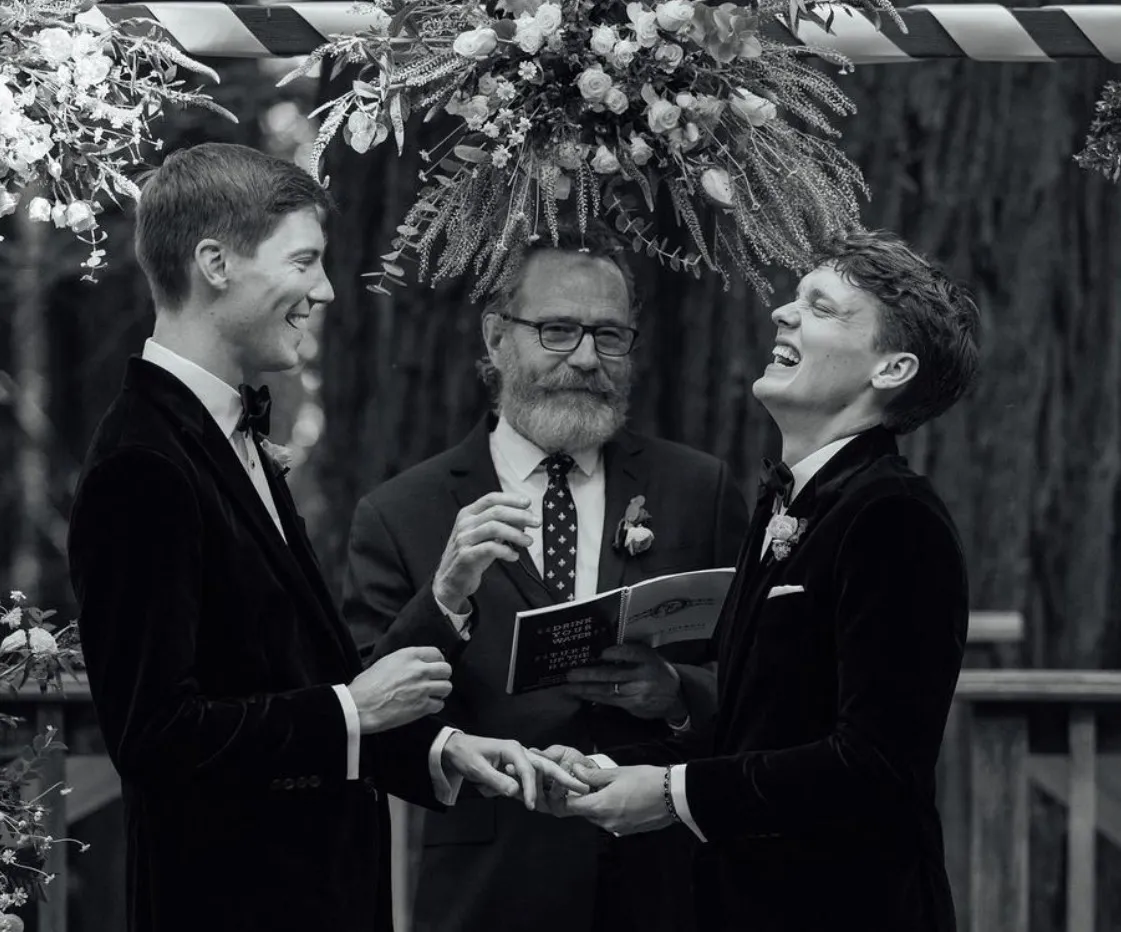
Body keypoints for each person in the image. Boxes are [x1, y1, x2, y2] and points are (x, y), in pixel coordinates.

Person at [67, 142, 579, 932]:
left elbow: (286, 678)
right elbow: (156, 739)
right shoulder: (143, 464)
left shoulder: (227, 436)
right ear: (215, 263)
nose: (327, 290)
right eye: (304, 262)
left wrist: (438, 750)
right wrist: (349, 710)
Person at [539, 230, 981, 932]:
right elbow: (757, 738)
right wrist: (608, 768)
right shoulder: (788, 506)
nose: (781, 312)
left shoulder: (894, 516)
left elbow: (875, 765)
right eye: (792, 297)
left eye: (821, 306)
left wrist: (670, 791)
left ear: (891, 368)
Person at [342, 225, 750, 932]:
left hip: (665, 882)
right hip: (492, 887)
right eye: (557, 330)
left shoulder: (697, 488)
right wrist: (443, 598)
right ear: (497, 335)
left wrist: (678, 695)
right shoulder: (399, 511)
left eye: (609, 336)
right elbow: (371, 719)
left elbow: (758, 681)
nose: (587, 358)